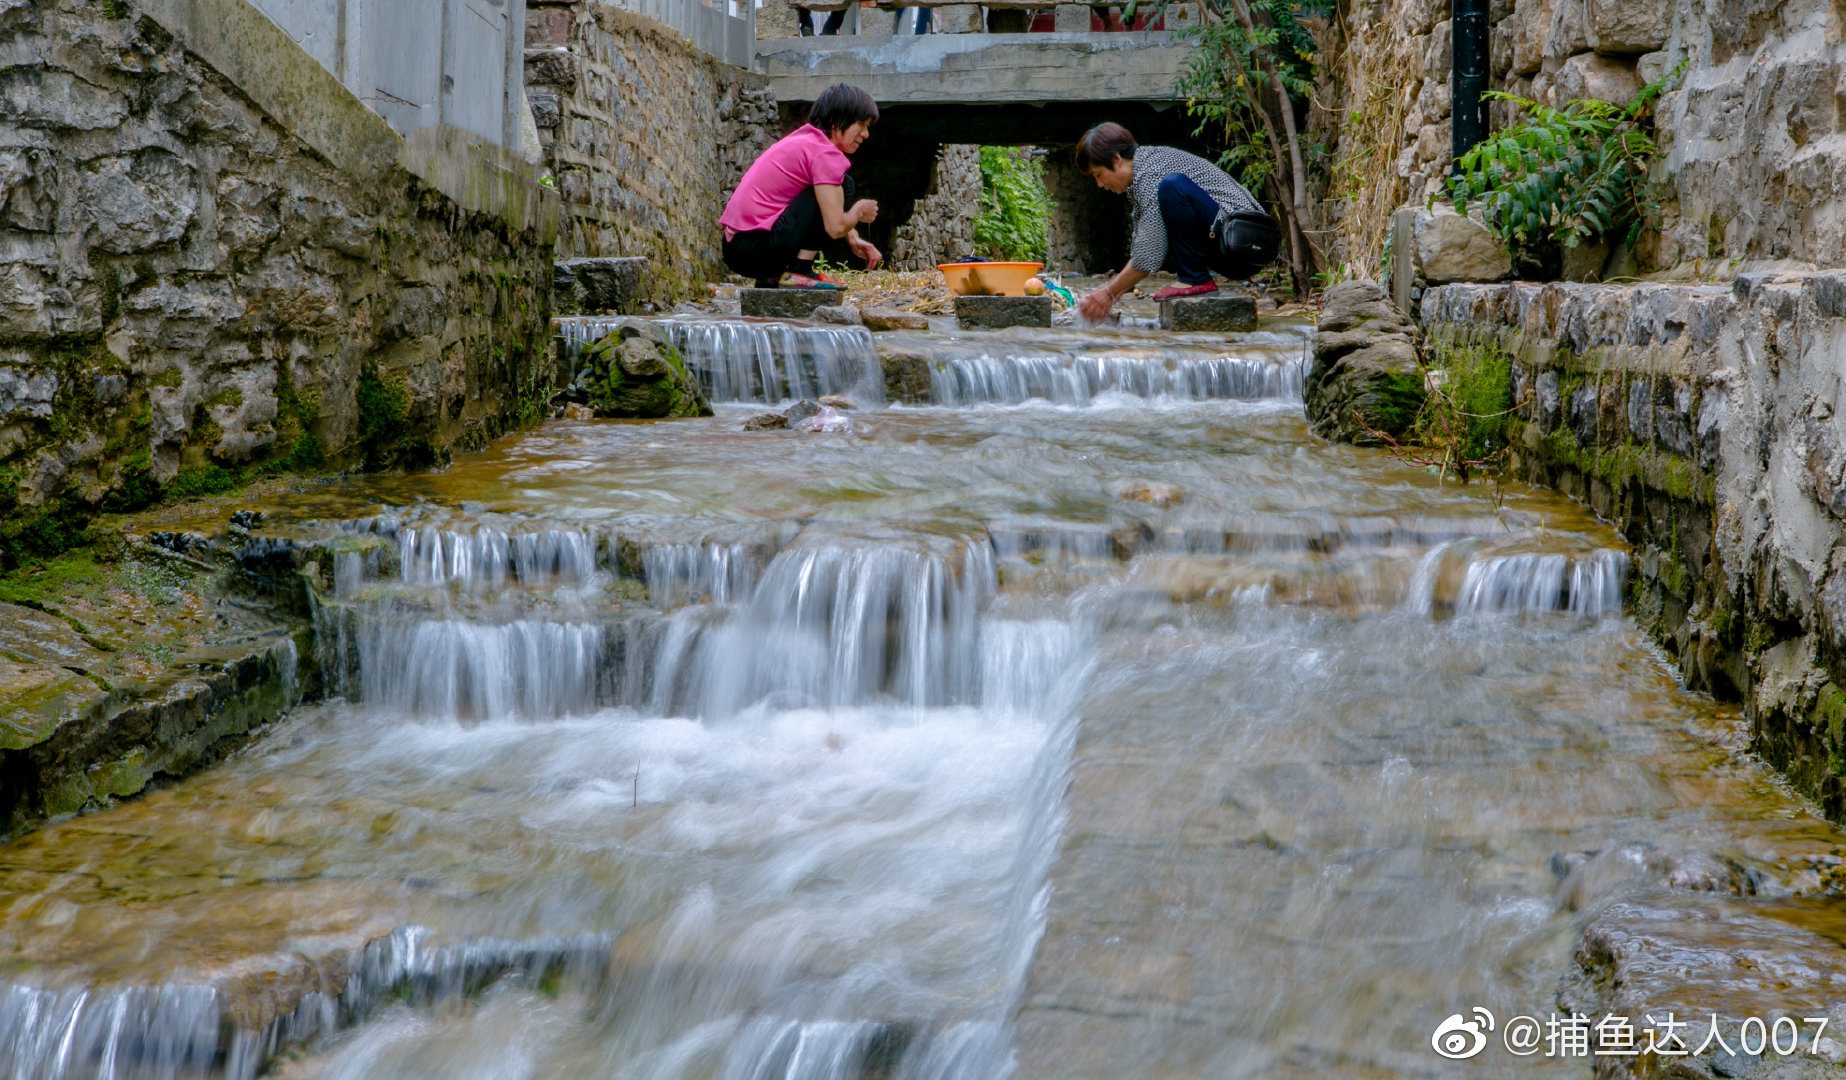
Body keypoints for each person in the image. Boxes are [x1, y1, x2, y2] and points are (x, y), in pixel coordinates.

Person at [1073, 121, 1277, 322]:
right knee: (1163, 208)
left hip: (1246, 240)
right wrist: (1113, 295)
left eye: (1098, 175)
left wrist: (1108, 293)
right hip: (1236, 243)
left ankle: (1194, 279)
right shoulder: (1142, 176)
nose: (1100, 184)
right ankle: (1193, 278)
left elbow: (1148, 255)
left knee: (1172, 186)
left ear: (1117, 159)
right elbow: (1142, 247)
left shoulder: (1152, 172)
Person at [719, 83, 882, 289]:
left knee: (838, 184)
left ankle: (774, 276)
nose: (866, 133)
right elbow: (834, 227)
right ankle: (799, 269)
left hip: (739, 248)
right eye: (861, 124)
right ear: (835, 121)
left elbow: (824, 204)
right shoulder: (826, 154)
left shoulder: (806, 140)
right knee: (845, 184)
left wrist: (853, 235)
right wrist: (858, 212)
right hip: (756, 249)